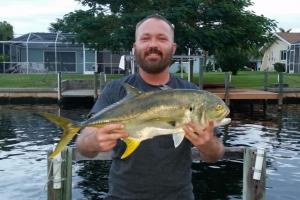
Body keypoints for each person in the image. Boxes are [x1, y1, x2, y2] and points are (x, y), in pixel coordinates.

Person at [76, 14, 225, 200]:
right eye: (145, 38)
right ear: (135, 46)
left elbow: (215, 155)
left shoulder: (191, 93)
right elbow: (83, 145)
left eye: (162, 38)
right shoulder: (115, 89)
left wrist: (207, 143)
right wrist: (93, 141)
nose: (153, 44)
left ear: (173, 47)